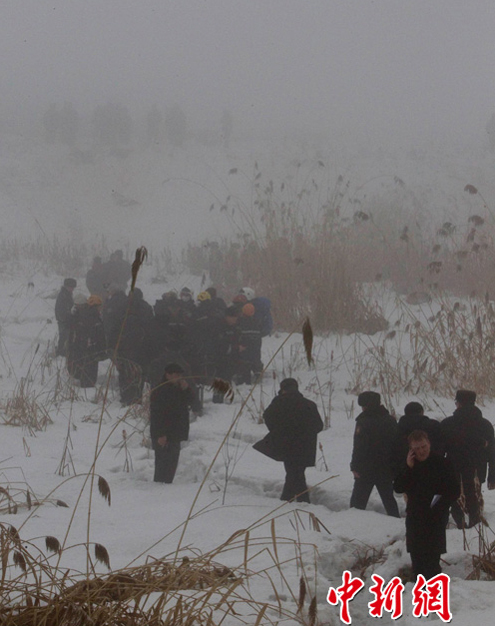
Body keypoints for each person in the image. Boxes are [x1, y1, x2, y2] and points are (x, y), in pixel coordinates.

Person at [394, 430, 460, 580]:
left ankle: (434, 594)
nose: (421, 451)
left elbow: (454, 490)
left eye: (423, 446)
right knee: (417, 560)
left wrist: (440, 505)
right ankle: (418, 595)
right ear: (411, 449)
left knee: (432, 562)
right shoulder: (409, 465)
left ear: (429, 444)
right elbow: (398, 488)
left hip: (435, 517)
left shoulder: (442, 463)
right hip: (415, 517)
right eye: (417, 448)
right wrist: (408, 468)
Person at [262, 378, 323, 503]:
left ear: (282, 389)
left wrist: (276, 431)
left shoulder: (279, 402)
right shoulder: (309, 404)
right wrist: (306, 434)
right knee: (297, 472)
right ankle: (298, 500)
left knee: (293, 472)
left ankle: (290, 500)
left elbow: (267, 416)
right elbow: (319, 426)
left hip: (286, 444)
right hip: (305, 446)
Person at [440, 389, 495, 528]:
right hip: (477, 470)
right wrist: (492, 477)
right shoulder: (486, 425)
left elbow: (440, 451)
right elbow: (492, 453)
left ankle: (460, 524)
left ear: (458, 403)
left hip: (454, 468)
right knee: (473, 497)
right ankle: (474, 524)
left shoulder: (447, 424)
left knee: (455, 497)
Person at [350, 391, 400, 517]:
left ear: (366, 405)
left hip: (366, 469)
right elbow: (396, 445)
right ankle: (396, 522)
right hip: (385, 467)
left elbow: (359, 447)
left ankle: (353, 523)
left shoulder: (363, 421)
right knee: (389, 500)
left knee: (357, 503)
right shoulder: (390, 420)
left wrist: (354, 466)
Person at [149, 363, 195, 483]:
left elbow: (194, 403)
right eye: (176, 375)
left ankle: (166, 489)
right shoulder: (160, 390)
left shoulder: (180, 389)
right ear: (168, 375)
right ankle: (157, 492)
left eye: (180, 375)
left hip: (175, 433)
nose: (179, 378)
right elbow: (157, 415)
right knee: (162, 467)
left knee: (171, 466)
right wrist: (161, 434)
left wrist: (187, 390)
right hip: (163, 434)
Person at [67, 295, 106, 387]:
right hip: (91, 350)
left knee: (84, 373)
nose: (101, 308)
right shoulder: (94, 318)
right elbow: (97, 335)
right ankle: (87, 394)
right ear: (96, 306)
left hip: (83, 349)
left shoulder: (84, 316)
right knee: (89, 377)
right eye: (100, 306)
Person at [394, 401, 443, 469]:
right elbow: (441, 445)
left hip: (406, 466)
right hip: (433, 465)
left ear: (405, 413)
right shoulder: (434, 425)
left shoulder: (397, 428)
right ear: (422, 412)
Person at [55, 278, 77, 357]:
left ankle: (63, 351)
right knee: (63, 336)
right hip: (63, 320)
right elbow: (60, 310)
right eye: (71, 287)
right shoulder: (63, 296)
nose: (72, 289)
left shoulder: (67, 294)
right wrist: (67, 316)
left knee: (66, 337)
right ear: (67, 286)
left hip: (66, 320)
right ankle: (60, 352)